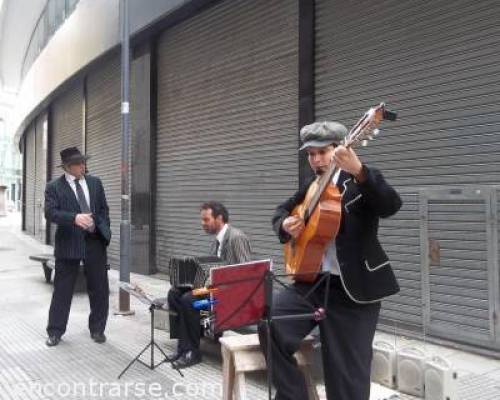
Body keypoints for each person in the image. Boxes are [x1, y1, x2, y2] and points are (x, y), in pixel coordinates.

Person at [258, 121, 402, 400]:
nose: (315, 160)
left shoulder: (360, 181)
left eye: (322, 152)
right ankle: (294, 395)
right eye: (310, 154)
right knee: (269, 322)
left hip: (354, 292)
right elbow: (281, 210)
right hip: (311, 284)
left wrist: (359, 170)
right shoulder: (310, 185)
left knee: (347, 379)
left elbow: (390, 205)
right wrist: (285, 224)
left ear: (340, 149)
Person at [167, 201, 252, 369]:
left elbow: (247, 274)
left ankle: (193, 352)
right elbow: (211, 270)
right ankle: (183, 347)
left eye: (206, 220)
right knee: (175, 293)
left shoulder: (237, 238)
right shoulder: (215, 242)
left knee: (190, 300)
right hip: (214, 292)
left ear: (219, 218)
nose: (202, 223)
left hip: (226, 299)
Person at [44, 147, 111, 347]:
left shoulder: (95, 183)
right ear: (66, 167)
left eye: (83, 162)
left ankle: (98, 329)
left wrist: (103, 229)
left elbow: (103, 210)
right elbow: (50, 213)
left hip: (94, 242)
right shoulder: (54, 187)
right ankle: (55, 331)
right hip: (69, 242)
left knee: (99, 288)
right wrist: (74, 218)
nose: (83, 166)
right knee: (62, 290)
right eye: (78, 163)